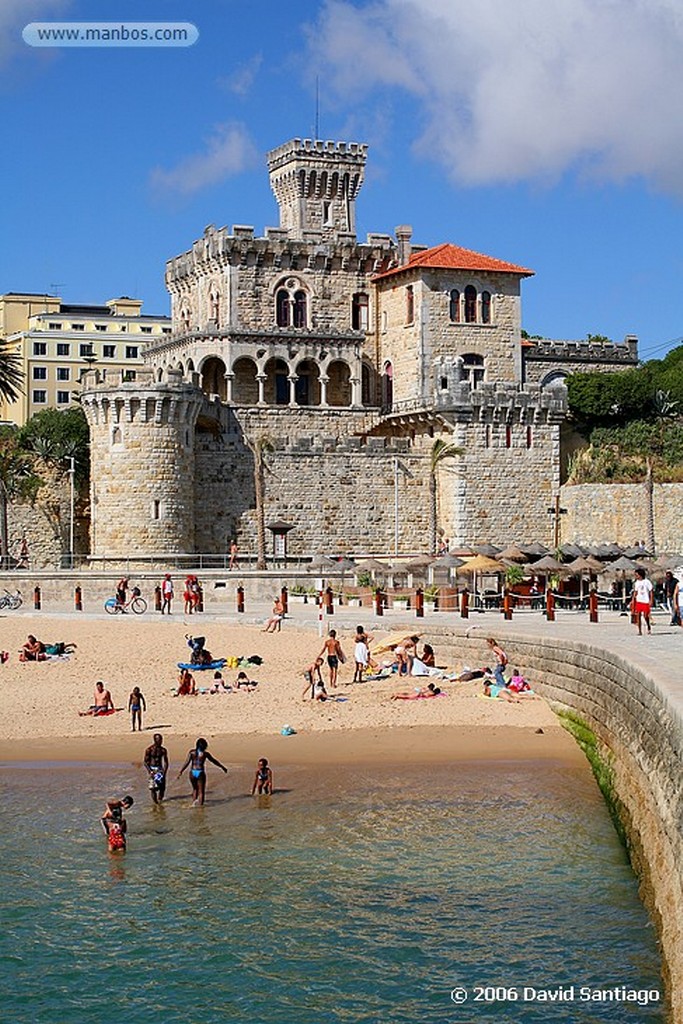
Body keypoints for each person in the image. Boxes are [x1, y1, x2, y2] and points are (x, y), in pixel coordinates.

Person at [177, 738, 228, 806]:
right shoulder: (205, 754)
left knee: (195, 789)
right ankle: (200, 808)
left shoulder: (192, 752)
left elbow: (187, 762)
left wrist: (181, 771)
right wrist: (222, 767)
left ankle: (193, 804)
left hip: (192, 772)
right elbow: (214, 761)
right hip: (200, 772)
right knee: (201, 792)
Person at [144, 734, 169, 803]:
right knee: (153, 788)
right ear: (155, 740)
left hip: (160, 769)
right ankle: (156, 803)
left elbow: (166, 762)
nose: (161, 741)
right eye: (159, 740)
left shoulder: (163, 750)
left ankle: (160, 800)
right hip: (152, 769)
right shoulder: (149, 750)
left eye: (161, 739)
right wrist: (150, 771)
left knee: (162, 787)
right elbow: (145, 762)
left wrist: (164, 772)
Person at [631, 567, 653, 635]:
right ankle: (639, 630)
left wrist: (651, 600)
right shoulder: (636, 583)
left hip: (645, 600)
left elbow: (651, 591)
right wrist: (633, 600)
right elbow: (635, 591)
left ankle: (648, 626)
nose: (636, 576)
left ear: (640, 575)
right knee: (638, 615)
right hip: (639, 600)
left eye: (637, 575)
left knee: (646, 616)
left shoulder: (647, 582)